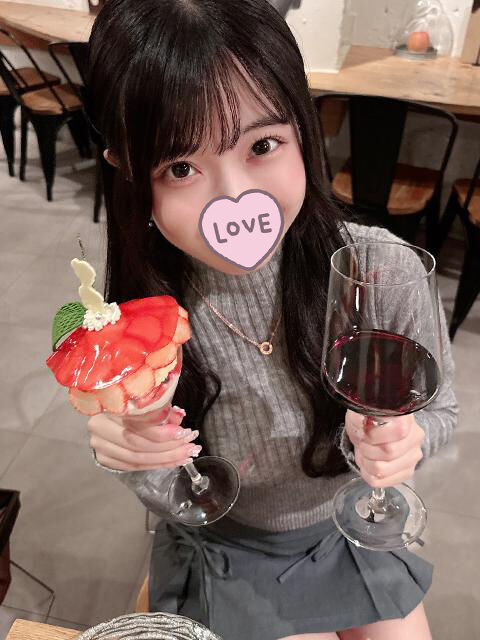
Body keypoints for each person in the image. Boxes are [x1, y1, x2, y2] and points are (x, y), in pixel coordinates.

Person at [84, 1, 458, 639]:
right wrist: (139, 454)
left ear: (303, 131)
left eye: (262, 145)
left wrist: (409, 438)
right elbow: (178, 496)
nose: (235, 200)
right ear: (129, 173)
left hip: (351, 527)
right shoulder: (141, 324)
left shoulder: (381, 270)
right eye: (181, 168)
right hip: (233, 549)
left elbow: (441, 411)